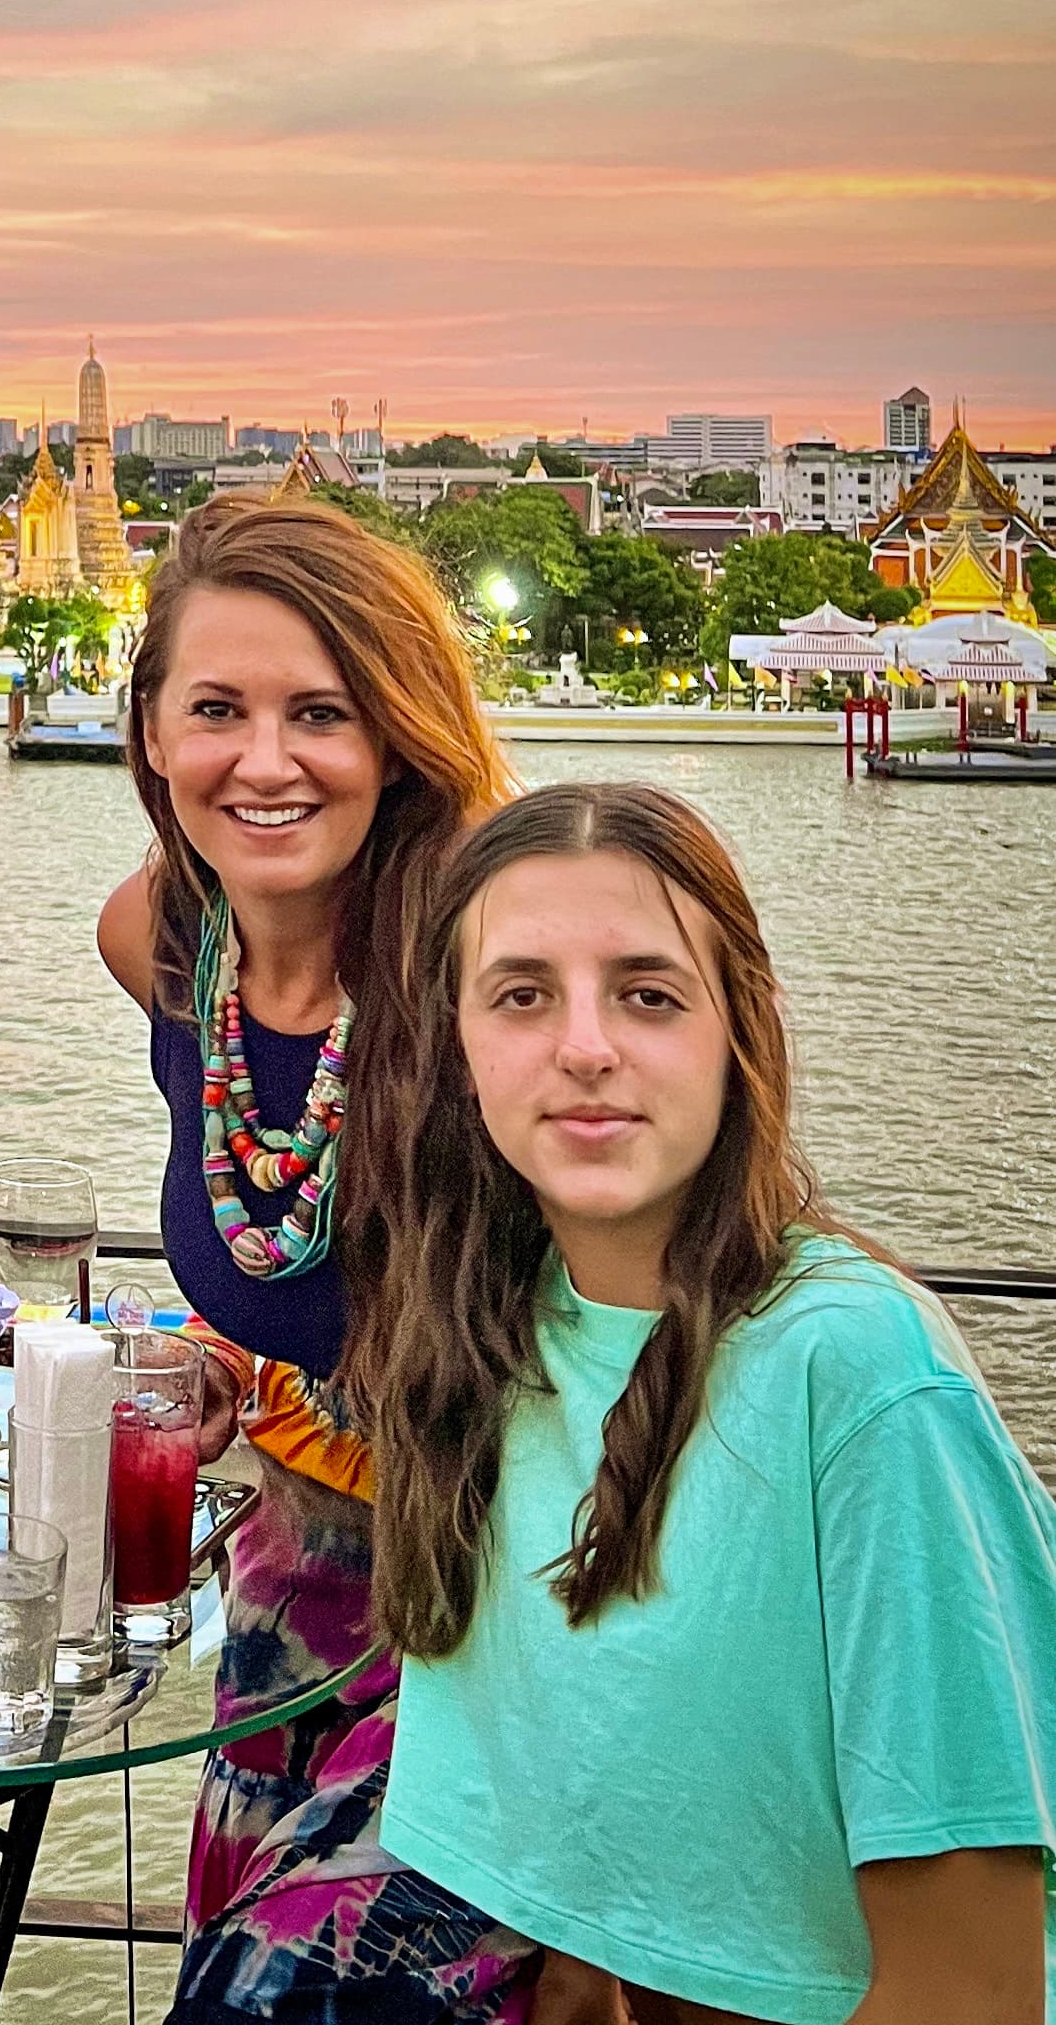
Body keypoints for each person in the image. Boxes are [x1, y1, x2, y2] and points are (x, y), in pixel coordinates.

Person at [356, 783, 1055, 2023]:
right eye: (520, 994)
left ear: (741, 1029)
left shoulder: (850, 1369)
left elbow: (970, 1989)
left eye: (647, 992)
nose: (584, 1046)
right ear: (454, 1048)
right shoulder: (474, 1334)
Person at [94, 489, 548, 2023]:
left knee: (278, 2001)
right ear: (150, 731)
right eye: (214, 708)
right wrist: (239, 1361)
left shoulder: (493, 959)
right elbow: (288, 1233)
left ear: (397, 736)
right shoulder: (163, 939)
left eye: (322, 714)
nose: (264, 760)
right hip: (295, 1570)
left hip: (513, 1599)